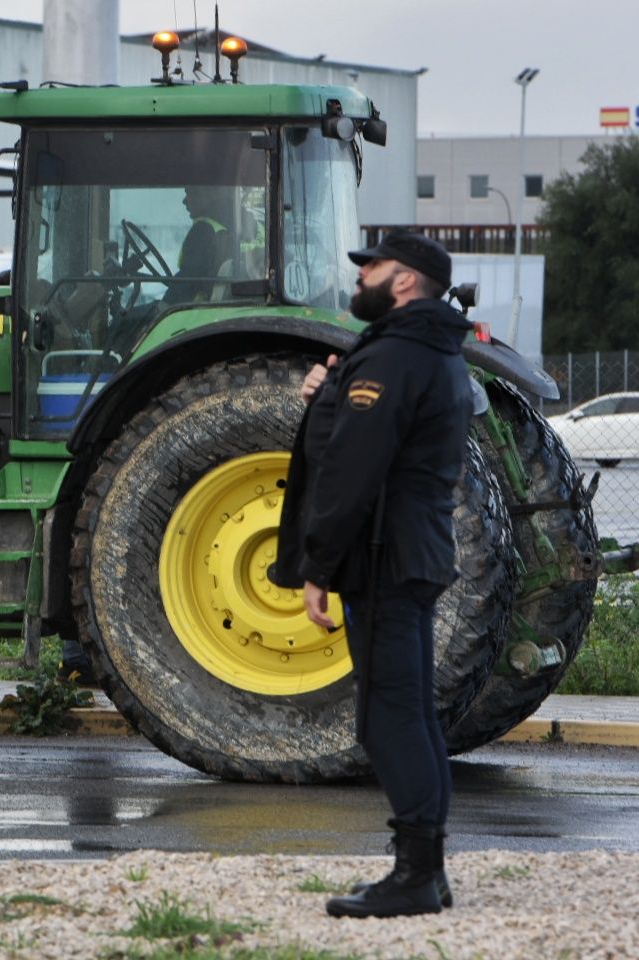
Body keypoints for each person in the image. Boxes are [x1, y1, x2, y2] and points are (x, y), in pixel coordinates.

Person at [274, 231, 471, 919]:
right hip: (410, 552)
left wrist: (315, 566)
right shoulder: (427, 353)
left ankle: (415, 876)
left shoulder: (391, 358)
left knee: (389, 718)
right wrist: (328, 396)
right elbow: (366, 436)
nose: (359, 278)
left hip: (384, 557)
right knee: (408, 712)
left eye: (372, 269)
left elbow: (352, 473)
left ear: (405, 282)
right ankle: (426, 873)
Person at [162, 185, 231, 304]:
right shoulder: (240, 225)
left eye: (189, 193)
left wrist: (161, 308)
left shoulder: (203, 230)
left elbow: (187, 281)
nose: (184, 201)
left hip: (194, 310)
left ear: (208, 195)